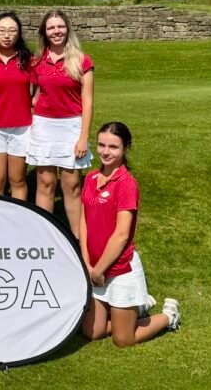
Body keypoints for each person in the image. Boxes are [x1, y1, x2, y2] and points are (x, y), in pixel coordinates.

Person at [80, 122, 180, 346]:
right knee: (92, 332)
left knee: (123, 339)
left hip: (120, 269)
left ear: (126, 148)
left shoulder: (126, 184)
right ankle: (138, 309)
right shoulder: (90, 178)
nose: (106, 152)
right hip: (94, 267)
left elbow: (122, 234)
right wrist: (86, 263)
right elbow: (83, 222)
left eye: (113, 147)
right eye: (101, 145)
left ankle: (168, 316)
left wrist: (99, 270)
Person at [26, 9, 93, 237]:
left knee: (71, 185)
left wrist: (83, 137)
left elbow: (88, 102)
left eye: (60, 26)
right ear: (44, 32)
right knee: (45, 183)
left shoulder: (82, 60)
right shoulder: (37, 61)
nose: (56, 31)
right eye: (51, 27)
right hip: (44, 127)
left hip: (72, 127)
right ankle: (44, 237)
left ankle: (77, 241)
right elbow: (35, 95)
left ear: (67, 29)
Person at [0, 12, 33, 200]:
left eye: (12, 31)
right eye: (1, 31)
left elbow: (40, 91)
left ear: (19, 33)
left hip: (21, 128)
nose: (6, 35)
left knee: (17, 180)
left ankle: (18, 216)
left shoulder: (28, 60)